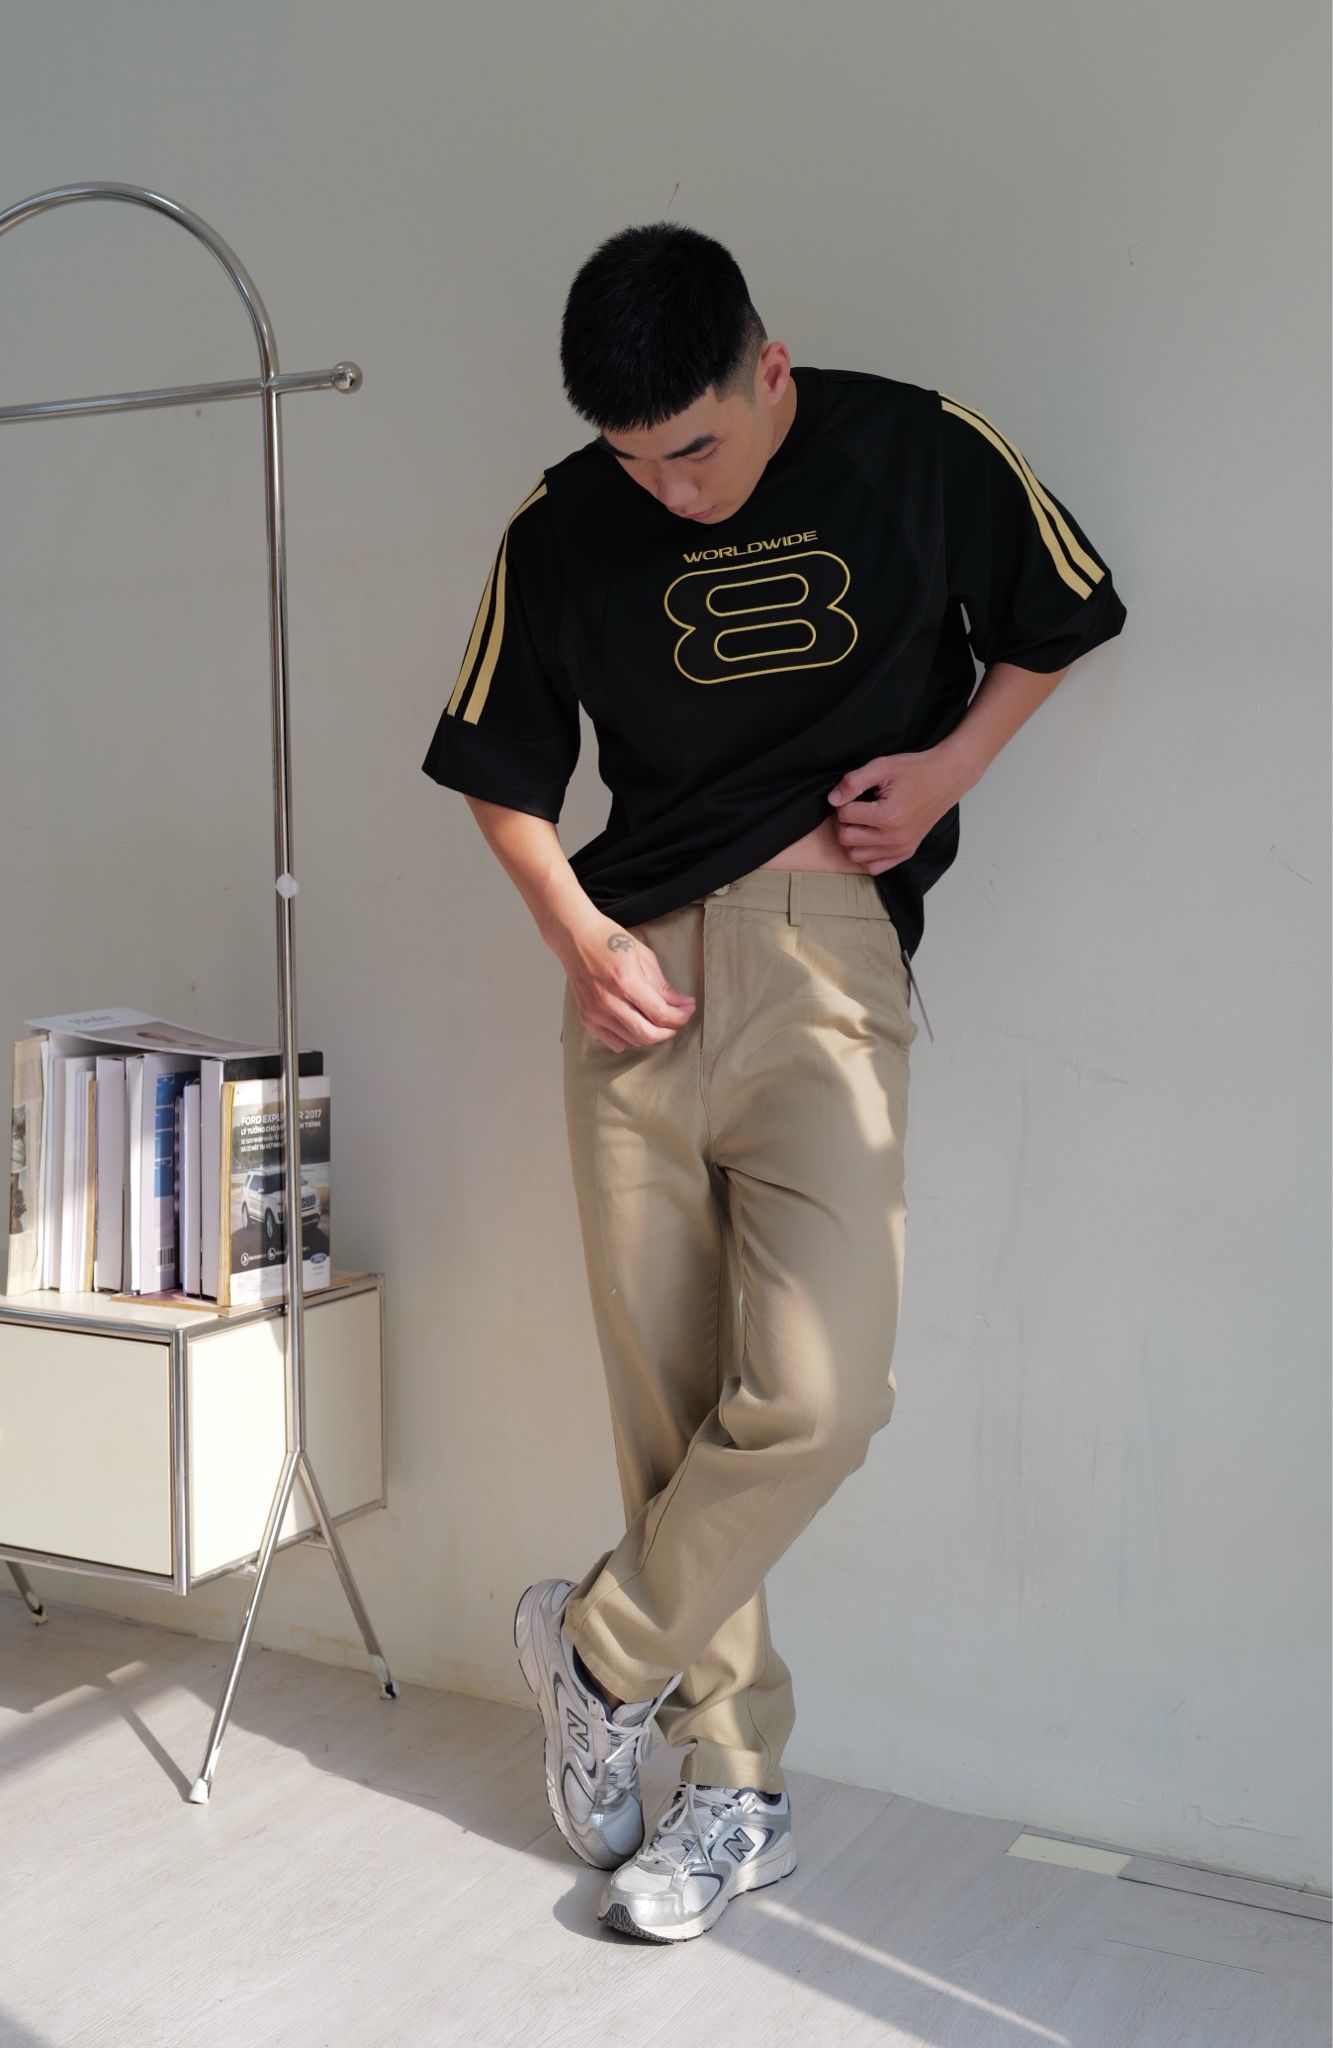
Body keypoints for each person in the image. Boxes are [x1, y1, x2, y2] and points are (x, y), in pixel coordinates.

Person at [421, 222, 1127, 1943]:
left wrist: (949, 769)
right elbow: (501, 768)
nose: (669, 489)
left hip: (823, 958)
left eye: (697, 447)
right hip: (632, 983)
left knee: (817, 1397)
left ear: (770, 368)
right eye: (635, 460)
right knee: (671, 1417)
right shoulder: (559, 525)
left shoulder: (917, 448)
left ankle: (595, 1652)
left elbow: (1064, 610)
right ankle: (730, 1792)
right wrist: (575, 933)